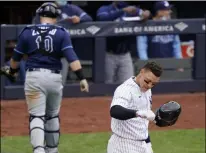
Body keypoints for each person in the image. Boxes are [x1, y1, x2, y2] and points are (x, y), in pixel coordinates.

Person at [6, 2, 89, 153]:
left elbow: (15, 59)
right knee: (52, 116)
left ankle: (38, 150)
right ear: (56, 17)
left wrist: (11, 72)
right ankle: (52, 150)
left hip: (34, 77)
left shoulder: (27, 31)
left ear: (39, 16)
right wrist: (82, 78)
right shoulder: (62, 32)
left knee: (36, 116)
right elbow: (72, 58)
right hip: (54, 78)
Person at [32, 0, 93, 85]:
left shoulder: (71, 8)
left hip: (62, 51)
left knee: (58, 84)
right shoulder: (45, 8)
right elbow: (35, 27)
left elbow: (88, 18)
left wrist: (79, 19)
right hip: (45, 52)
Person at [107, 61, 163, 153]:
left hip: (142, 144)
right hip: (123, 145)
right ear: (141, 72)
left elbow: (141, 123)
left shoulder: (146, 89)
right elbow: (115, 110)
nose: (149, 86)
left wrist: (148, 143)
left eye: (153, 84)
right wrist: (138, 113)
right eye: (147, 81)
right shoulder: (125, 89)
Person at [96, 1, 151, 84]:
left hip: (125, 54)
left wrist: (146, 13)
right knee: (107, 84)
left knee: (128, 85)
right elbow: (102, 18)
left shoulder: (132, 9)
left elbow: (144, 14)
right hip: (109, 54)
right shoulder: (105, 9)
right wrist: (123, 11)